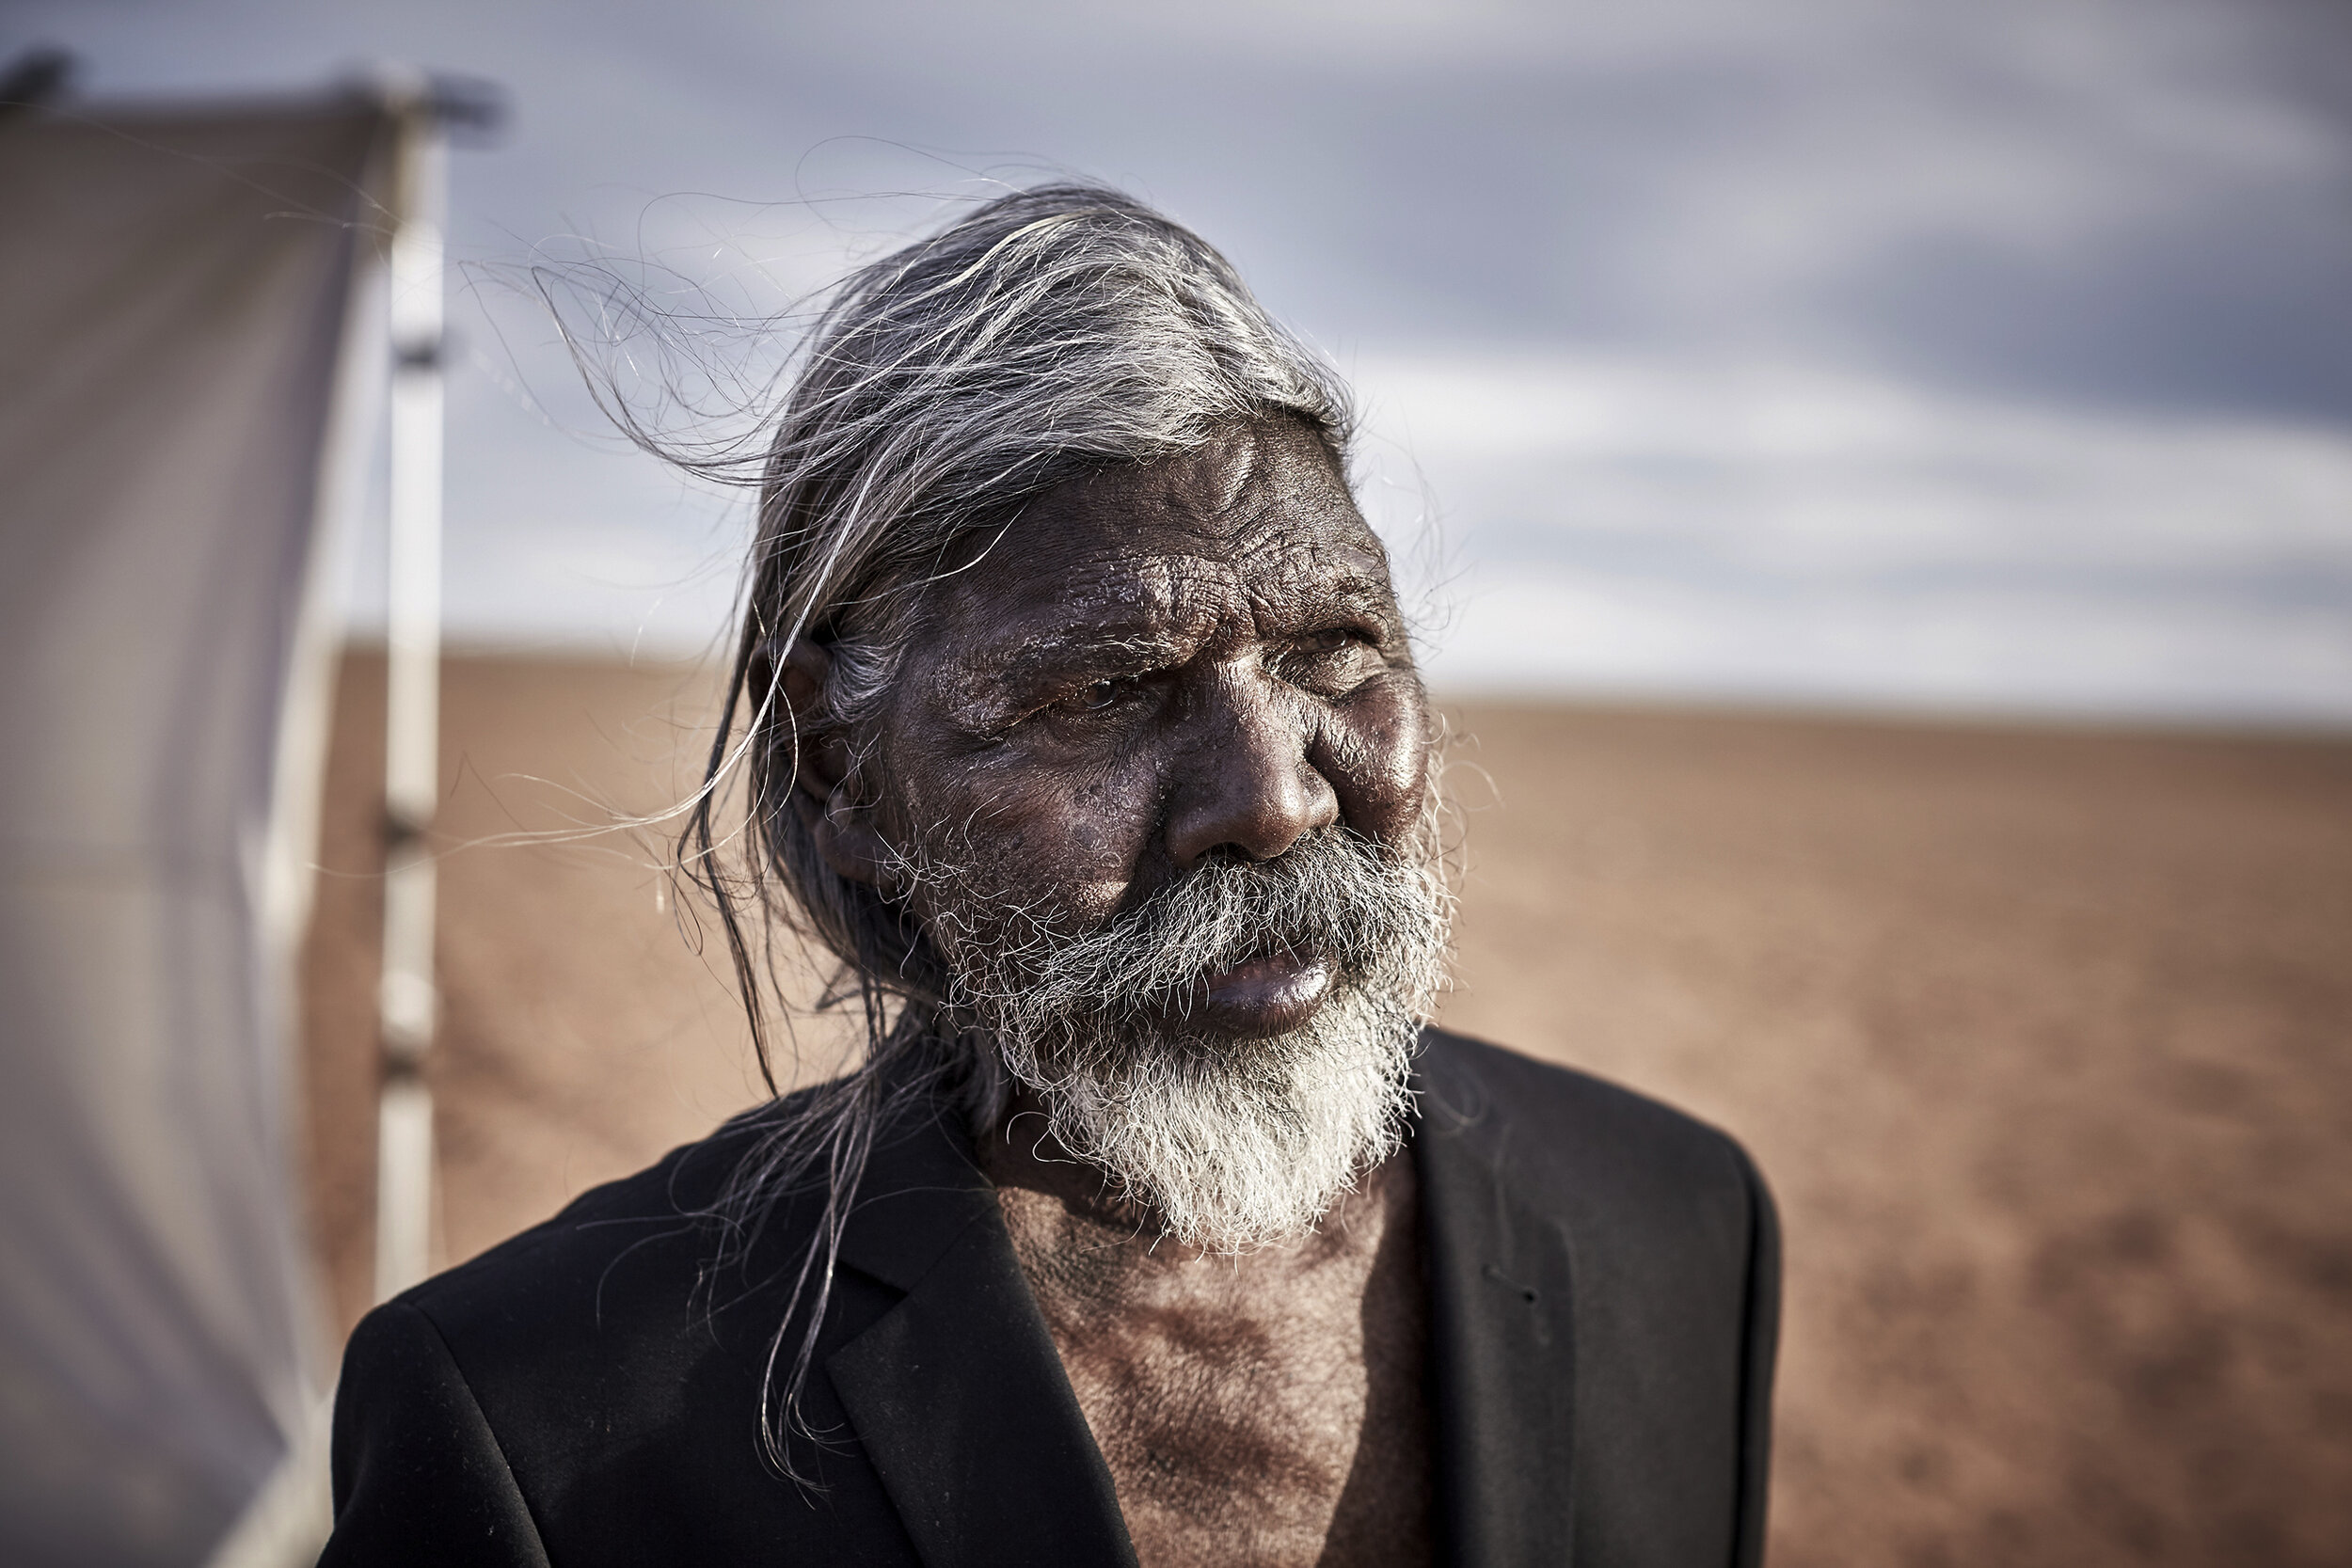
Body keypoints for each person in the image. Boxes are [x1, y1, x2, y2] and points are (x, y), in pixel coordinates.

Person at [319, 184, 1778, 1568]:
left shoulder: (1671, 1227)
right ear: (847, 774)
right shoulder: (542, 1422)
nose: (1271, 800)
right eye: (1100, 695)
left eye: (1335, 649)